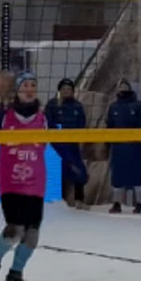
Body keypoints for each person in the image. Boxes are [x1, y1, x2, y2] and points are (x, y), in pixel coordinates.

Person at [0, 70, 86, 281]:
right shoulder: (5, 116)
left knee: (32, 233)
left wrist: (75, 165)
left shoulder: (44, 118)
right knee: (15, 229)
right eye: (25, 86)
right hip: (11, 180)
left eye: (33, 85)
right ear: (18, 90)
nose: (30, 89)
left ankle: (15, 275)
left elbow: (60, 144)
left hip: (35, 181)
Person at [106, 78, 141, 214]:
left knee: (137, 174)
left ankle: (140, 203)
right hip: (118, 146)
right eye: (120, 86)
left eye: (125, 86)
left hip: (134, 146)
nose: (122, 88)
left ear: (130, 88)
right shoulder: (113, 107)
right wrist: (108, 142)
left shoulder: (138, 105)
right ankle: (117, 203)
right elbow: (109, 125)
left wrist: (137, 136)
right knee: (117, 175)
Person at [44, 77, 89, 209]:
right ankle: (58, 201)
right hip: (56, 146)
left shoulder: (77, 106)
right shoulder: (52, 105)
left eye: (69, 89)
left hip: (72, 144)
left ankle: (79, 200)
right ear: (59, 91)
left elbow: (82, 123)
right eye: (64, 89)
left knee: (79, 171)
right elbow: (47, 122)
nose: (67, 91)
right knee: (58, 172)